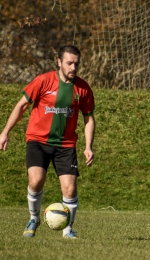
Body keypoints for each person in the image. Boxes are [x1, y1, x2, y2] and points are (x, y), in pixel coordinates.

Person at [0, 45, 95, 239]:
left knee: (70, 188)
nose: (73, 68)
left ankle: (68, 230)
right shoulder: (43, 81)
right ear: (59, 62)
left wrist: (88, 146)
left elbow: (88, 119)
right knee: (35, 181)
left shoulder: (83, 88)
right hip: (38, 140)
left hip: (66, 144)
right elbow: (22, 105)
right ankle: (34, 218)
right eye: (69, 63)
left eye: (76, 64)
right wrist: (5, 132)